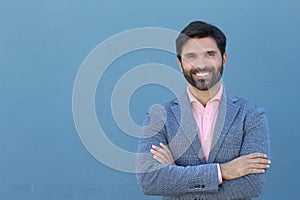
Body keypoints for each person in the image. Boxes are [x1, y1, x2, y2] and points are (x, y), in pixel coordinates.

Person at [136, 21, 271, 200]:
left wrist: (176, 173)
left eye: (210, 54)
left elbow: (251, 186)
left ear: (224, 58)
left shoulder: (252, 116)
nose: (201, 65)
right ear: (180, 63)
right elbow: (150, 181)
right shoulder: (159, 116)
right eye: (191, 56)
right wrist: (221, 171)